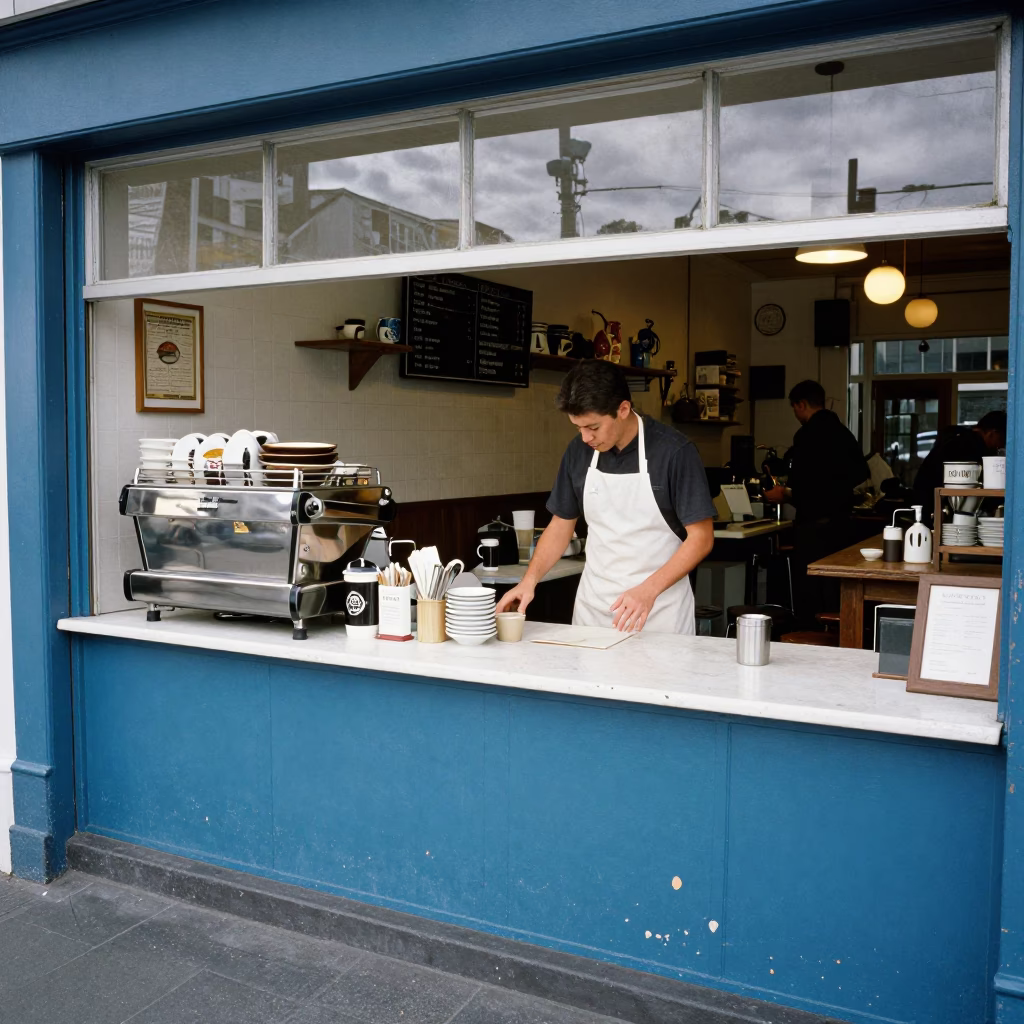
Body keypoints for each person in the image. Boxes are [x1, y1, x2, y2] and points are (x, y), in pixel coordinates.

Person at [495, 360, 715, 633]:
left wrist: (648, 590)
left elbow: (702, 538)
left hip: (659, 613)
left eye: (594, 428)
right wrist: (529, 581)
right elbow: (561, 525)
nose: (586, 437)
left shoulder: (674, 452)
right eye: (578, 428)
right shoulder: (579, 451)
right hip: (595, 612)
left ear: (623, 409)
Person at [762, 380, 870, 626]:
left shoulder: (807, 434)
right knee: (834, 587)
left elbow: (801, 485)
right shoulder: (843, 432)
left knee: (810, 591)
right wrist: (837, 488)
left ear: (801, 404)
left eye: (794, 408)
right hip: (842, 524)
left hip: (814, 527)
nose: (796, 414)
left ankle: (810, 636)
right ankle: (836, 634)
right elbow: (861, 472)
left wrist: (784, 494)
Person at [912, 409, 1006, 509]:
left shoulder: (958, 438)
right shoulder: (971, 445)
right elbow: (969, 487)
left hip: (925, 499)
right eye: (1001, 439)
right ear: (992, 433)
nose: (1001, 445)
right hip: (936, 505)